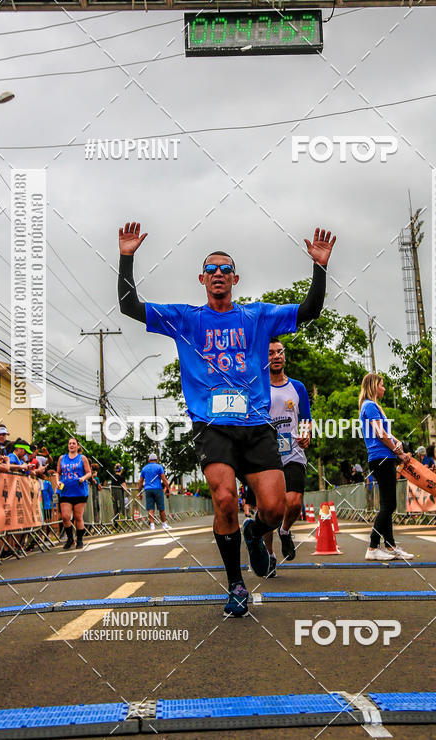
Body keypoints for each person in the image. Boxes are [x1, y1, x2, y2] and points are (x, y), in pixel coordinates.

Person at [118, 220, 335, 617]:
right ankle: (236, 584)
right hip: (212, 424)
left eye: (225, 269)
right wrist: (126, 257)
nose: (218, 274)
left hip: (255, 424)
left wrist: (319, 267)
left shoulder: (258, 317)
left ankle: (255, 534)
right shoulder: (186, 319)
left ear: (235, 277)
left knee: (273, 509)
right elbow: (129, 307)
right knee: (224, 500)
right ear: (202, 278)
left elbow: (310, 310)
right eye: (211, 270)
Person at [262, 338, 311, 577]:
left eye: (279, 352)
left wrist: (306, 435)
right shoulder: (259, 387)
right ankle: (269, 556)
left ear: (285, 356)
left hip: (293, 453)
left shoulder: (298, 387)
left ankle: (285, 530)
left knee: (293, 502)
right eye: (271, 353)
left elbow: (306, 419)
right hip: (266, 456)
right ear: (265, 357)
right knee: (268, 509)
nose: (276, 356)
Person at [358, 374, 413, 561]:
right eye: (382, 385)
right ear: (374, 386)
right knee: (389, 505)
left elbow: (388, 434)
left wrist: (401, 448)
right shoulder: (370, 406)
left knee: (386, 505)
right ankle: (373, 547)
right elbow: (380, 433)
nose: (384, 388)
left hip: (383, 457)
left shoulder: (371, 406)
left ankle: (390, 546)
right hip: (382, 458)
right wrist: (399, 452)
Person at [56, 438, 92, 549]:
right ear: (68, 446)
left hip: (79, 491)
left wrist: (83, 478)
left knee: (78, 516)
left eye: (74, 444)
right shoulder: (62, 458)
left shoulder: (82, 458)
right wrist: (57, 481)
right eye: (70, 443)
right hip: (65, 491)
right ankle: (70, 539)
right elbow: (58, 472)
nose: (71, 445)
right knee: (65, 517)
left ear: (77, 446)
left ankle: (80, 539)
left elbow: (89, 472)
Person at [138, 453, 170, 529]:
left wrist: (139, 492)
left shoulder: (144, 468)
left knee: (150, 508)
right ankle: (164, 524)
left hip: (148, 489)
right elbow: (163, 479)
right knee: (161, 507)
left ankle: (152, 525)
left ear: (149, 460)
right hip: (158, 489)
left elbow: (140, 481)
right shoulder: (159, 467)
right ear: (156, 460)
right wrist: (167, 488)